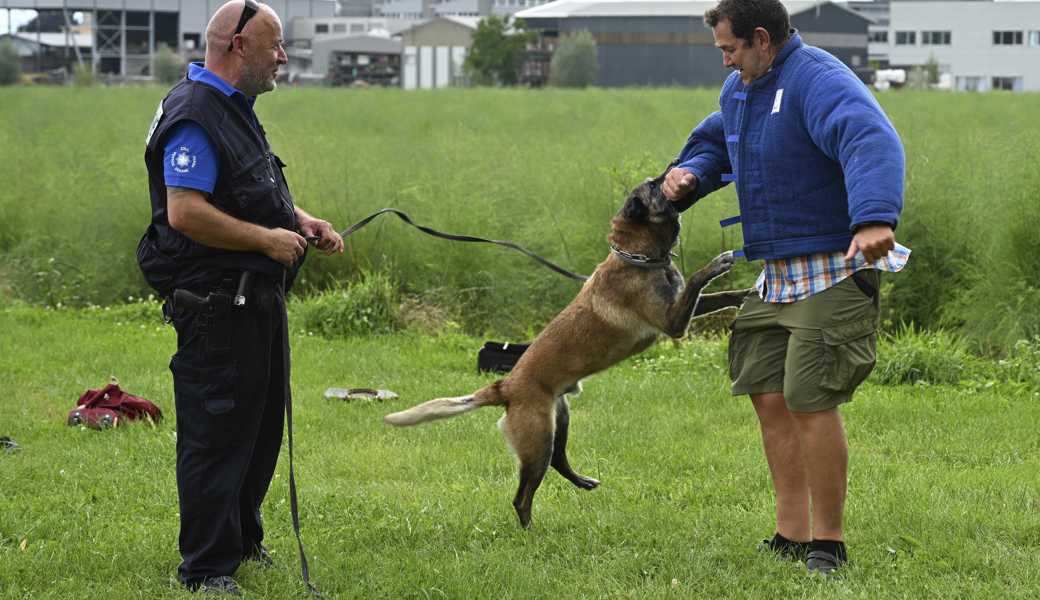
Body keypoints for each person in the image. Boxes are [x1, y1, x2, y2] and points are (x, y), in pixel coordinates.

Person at [662, 0, 909, 575]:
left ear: (760, 39)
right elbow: (718, 142)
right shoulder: (742, 90)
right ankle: (791, 534)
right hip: (777, 271)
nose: (724, 61)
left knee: (809, 400)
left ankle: (829, 542)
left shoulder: (817, 80)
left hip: (833, 266)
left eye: (729, 49)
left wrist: (874, 217)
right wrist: (691, 172)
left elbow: (869, 140)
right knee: (767, 395)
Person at [136, 1, 344, 594]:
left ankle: (243, 541)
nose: (282, 57)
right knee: (218, 432)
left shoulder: (233, 108)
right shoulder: (195, 114)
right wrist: (266, 241)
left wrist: (301, 221)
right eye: (274, 46)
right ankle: (205, 568)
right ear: (235, 46)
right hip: (215, 306)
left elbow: (245, 186)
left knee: (258, 430)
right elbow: (186, 211)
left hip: (255, 301)